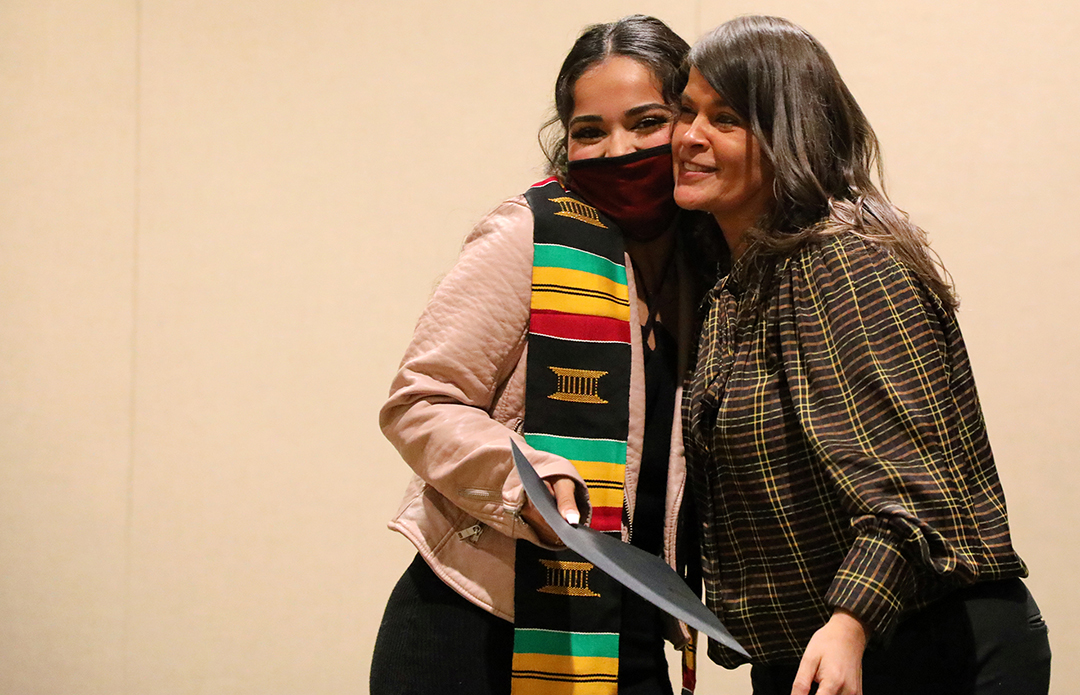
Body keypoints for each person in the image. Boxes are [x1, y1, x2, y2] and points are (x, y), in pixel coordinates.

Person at [674, 15, 1052, 695]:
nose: (689, 136)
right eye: (686, 111)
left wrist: (849, 623)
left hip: (921, 646)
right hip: (825, 650)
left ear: (788, 136)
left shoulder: (841, 261)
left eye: (725, 119)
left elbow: (908, 489)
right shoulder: (738, 285)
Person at [372, 15, 720, 695]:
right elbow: (419, 400)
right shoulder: (529, 233)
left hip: (634, 632)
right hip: (476, 625)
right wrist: (525, 480)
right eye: (591, 131)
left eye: (647, 122)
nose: (620, 149)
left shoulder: (705, 269)